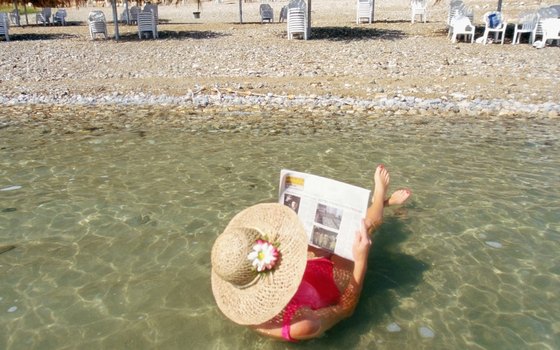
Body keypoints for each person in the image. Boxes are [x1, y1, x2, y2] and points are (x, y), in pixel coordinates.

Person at [211, 165, 411, 341]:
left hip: (300, 268)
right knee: (360, 230)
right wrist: (361, 260)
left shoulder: (240, 302)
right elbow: (345, 309)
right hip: (333, 281)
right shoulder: (302, 326)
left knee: (323, 228)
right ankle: (379, 200)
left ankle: (381, 204)